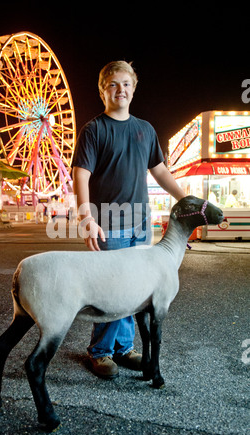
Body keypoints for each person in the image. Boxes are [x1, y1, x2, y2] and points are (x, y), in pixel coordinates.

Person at [72, 61, 186, 379]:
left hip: (140, 224)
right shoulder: (94, 130)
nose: (120, 89)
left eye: (126, 84)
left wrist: (186, 199)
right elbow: (80, 174)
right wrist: (86, 217)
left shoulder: (145, 130)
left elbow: (160, 171)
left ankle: (123, 349)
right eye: (113, 84)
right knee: (110, 290)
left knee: (135, 290)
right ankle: (100, 352)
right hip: (108, 222)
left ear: (133, 89)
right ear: (102, 90)